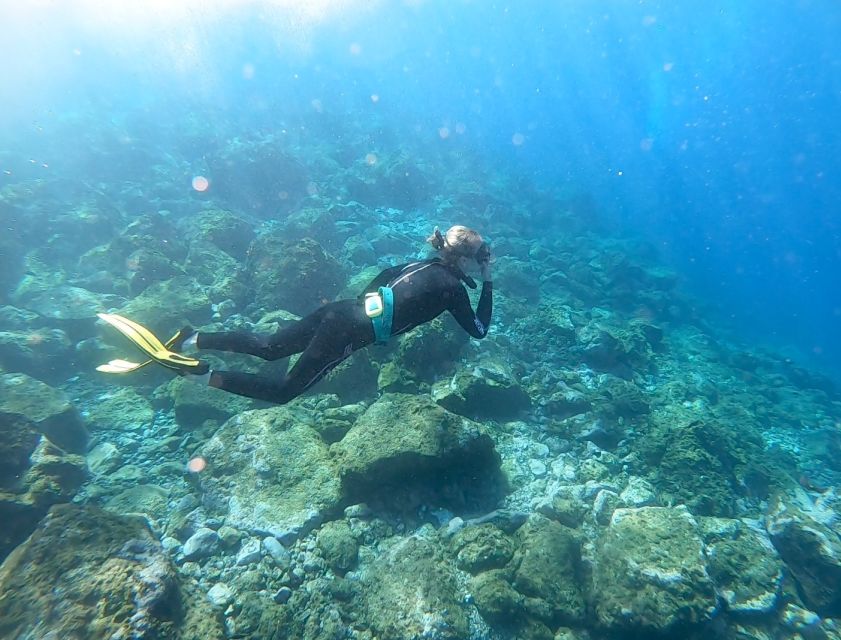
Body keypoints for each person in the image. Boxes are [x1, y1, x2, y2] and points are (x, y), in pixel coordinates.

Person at [97, 225, 492, 405]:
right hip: (349, 335)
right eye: (482, 258)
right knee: (285, 393)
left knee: (270, 347)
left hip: (339, 312)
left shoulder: (415, 264)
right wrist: (488, 283)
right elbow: (478, 330)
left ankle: (190, 338)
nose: (483, 264)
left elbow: (373, 287)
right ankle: (203, 376)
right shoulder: (454, 289)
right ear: (468, 259)